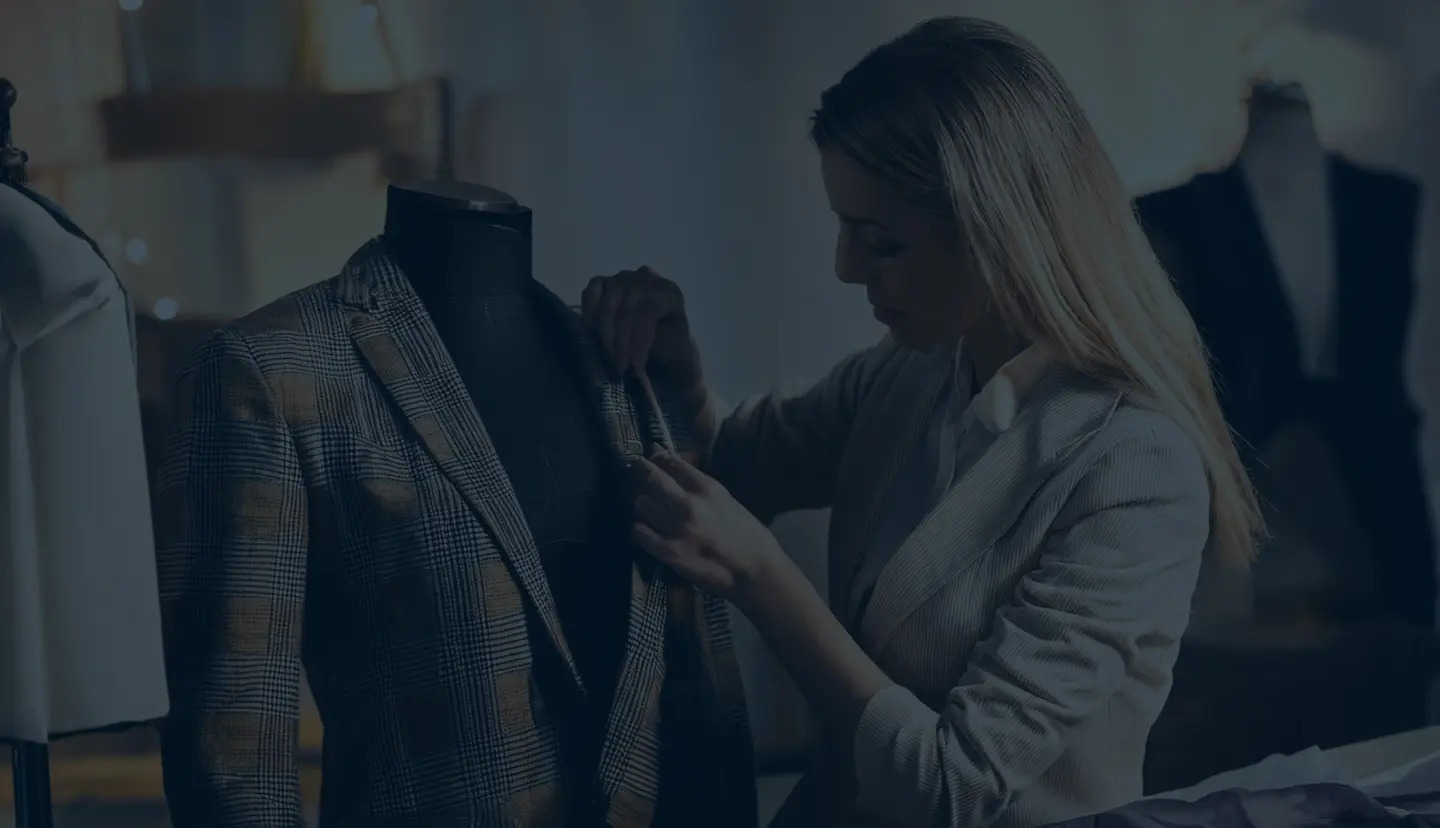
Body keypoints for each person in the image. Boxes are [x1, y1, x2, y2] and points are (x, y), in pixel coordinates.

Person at [582, 15, 1262, 828]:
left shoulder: (1134, 466)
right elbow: (734, 467)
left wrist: (762, 579)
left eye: (881, 244)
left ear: (998, 232)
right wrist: (676, 369)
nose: (845, 269)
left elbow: (953, 789)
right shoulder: (911, 370)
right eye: (844, 229)